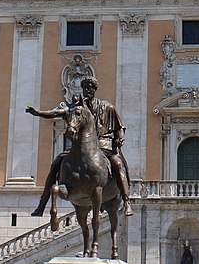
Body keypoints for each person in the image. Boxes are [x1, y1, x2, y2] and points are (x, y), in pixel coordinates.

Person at [28, 77, 133, 216]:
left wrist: (120, 137)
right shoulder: (75, 108)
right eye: (86, 87)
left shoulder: (108, 107)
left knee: (118, 164)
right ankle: (42, 204)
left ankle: (126, 201)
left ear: (95, 90)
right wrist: (38, 113)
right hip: (80, 146)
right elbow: (54, 113)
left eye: (91, 87)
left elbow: (119, 127)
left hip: (104, 144)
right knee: (55, 165)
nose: (88, 90)